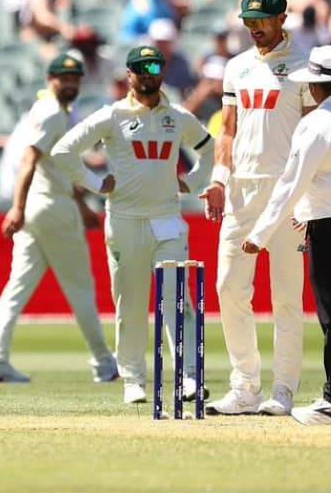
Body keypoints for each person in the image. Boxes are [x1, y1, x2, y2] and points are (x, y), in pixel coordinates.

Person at [53, 45, 215, 405]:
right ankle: (133, 379)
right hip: (125, 220)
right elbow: (63, 150)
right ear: (128, 74)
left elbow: (209, 150)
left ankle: (189, 376)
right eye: (140, 67)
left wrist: (193, 182)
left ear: (162, 71)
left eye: (154, 65)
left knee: (178, 299)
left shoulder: (177, 116)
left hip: (167, 218)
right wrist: (96, 185)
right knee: (130, 303)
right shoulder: (113, 115)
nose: (147, 72)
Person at [241, 45, 331, 426]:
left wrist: (259, 234)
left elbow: (290, 184)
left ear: (318, 86)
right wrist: (307, 211)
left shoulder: (317, 123)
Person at [200, 0, 315, 416]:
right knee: (229, 287)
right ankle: (245, 386)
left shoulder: (305, 67)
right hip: (241, 191)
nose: (255, 29)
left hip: (287, 190)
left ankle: (283, 389)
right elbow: (227, 131)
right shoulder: (237, 67)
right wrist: (217, 179)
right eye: (248, 22)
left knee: (286, 295)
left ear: (282, 18)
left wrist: (308, 195)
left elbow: (312, 135)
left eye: (262, 21)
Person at [0, 55, 117, 384]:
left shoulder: (52, 111)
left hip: (42, 208)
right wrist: (16, 207)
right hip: (50, 208)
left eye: (75, 78)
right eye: (63, 78)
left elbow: (58, 168)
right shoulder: (54, 112)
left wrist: (81, 206)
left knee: (16, 288)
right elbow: (29, 161)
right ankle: (103, 362)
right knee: (81, 288)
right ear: (49, 78)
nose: (69, 83)